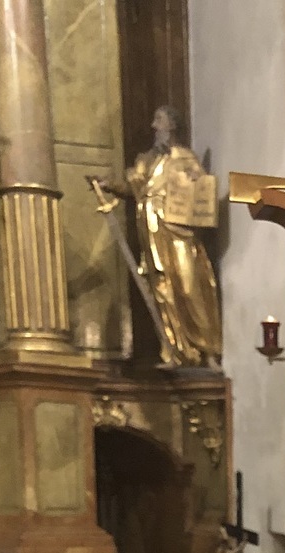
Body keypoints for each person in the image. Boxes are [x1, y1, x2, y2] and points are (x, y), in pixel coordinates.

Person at [101, 106, 222, 367]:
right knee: (162, 287)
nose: (154, 126)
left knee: (188, 285)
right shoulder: (145, 160)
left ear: (172, 125)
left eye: (159, 120)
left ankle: (206, 349)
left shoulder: (185, 157)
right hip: (151, 226)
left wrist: (195, 180)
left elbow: (200, 190)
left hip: (178, 228)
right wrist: (109, 184)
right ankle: (177, 351)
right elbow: (131, 186)